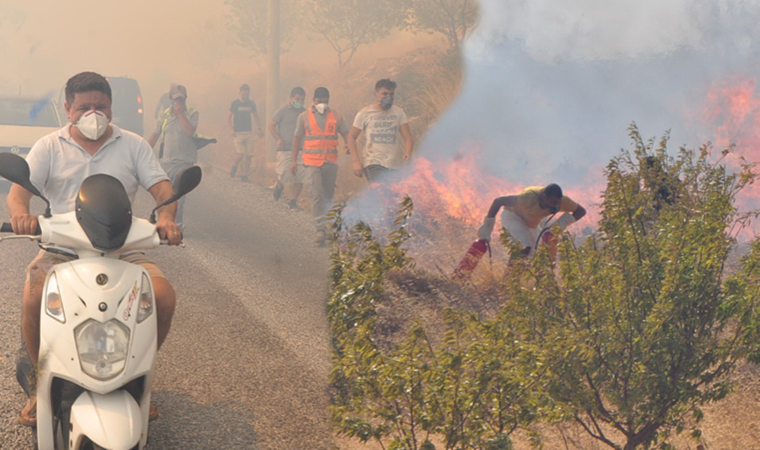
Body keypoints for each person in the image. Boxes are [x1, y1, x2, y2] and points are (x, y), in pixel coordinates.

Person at [7, 72, 182, 426]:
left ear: (111, 108)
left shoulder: (132, 144)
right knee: (32, 296)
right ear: (68, 109)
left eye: (100, 106)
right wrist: (22, 216)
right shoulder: (48, 146)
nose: (93, 114)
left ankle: (139, 381)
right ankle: (39, 384)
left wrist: (166, 219)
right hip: (61, 247)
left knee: (162, 297)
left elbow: (164, 191)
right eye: (84, 107)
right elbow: (18, 193)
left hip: (124, 247)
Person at [291, 87, 350, 245]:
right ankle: (320, 228)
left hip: (330, 162)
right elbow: (297, 138)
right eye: (319, 101)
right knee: (317, 193)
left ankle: (327, 226)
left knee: (328, 195)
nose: (322, 104)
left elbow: (346, 133)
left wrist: (348, 144)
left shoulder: (336, 116)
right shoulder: (304, 117)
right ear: (313, 101)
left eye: (325, 101)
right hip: (311, 162)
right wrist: (293, 160)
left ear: (328, 101)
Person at [477, 184, 586, 260]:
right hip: (513, 216)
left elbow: (581, 211)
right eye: (553, 202)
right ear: (544, 197)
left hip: (531, 224)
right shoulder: (528, 197)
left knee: (533, 256)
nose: (556, 206)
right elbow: (498, 201)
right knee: (524, 246)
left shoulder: (563, 201)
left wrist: (557, 227)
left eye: (558, 202)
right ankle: (506, 284)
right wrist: (487, 227)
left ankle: (516, 284)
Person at [147, 84, 199, 232]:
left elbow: (189, 131)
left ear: (185, 100)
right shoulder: (164, 115)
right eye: (176, 99)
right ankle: (163, 222)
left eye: (181, 100)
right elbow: (156, 134)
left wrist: (181, 113)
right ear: (170, 98)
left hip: (184, 162)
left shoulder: (192, 114)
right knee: (165, 195)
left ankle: (178, 226)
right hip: (167, 161)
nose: (179, 102)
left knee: (179, 198)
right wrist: (144, 150)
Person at [347, 78, 414, 182]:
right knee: (382, 192)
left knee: (395, 196)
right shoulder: (364, 113)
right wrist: (356, 161)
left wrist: (408, 152)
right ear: (375, 94)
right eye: (384, 94)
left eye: (391, 94)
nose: (388, 97)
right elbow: (351, 137)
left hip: (393, 164)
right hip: (373, 163)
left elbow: (407, 136)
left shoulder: (398, 112)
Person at [269, 87, 307, 209]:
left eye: (302, 99)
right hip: (285, 148)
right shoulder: (283, 111)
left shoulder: (305, 113)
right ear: (291, 98)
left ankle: (293, 201)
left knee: (301, 175)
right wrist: (278, 138)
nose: (299, 101)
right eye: (297, 99)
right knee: (285, 172)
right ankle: (279, 185)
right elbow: (271, 125)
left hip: (302, 149)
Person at [228, 84, 264, 183]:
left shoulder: (251, 103)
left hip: (248, 132)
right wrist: (231, 130)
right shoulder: (235, 104)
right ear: (239, 93)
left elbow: (256, 115)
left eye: (247, 94)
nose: (246, 96)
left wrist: (260, 128)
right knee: (240, 154)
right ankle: (234, 166)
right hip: (238, 133)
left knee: (249, 155)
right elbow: (229, 117)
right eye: (244, 94)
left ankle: (244, 175)